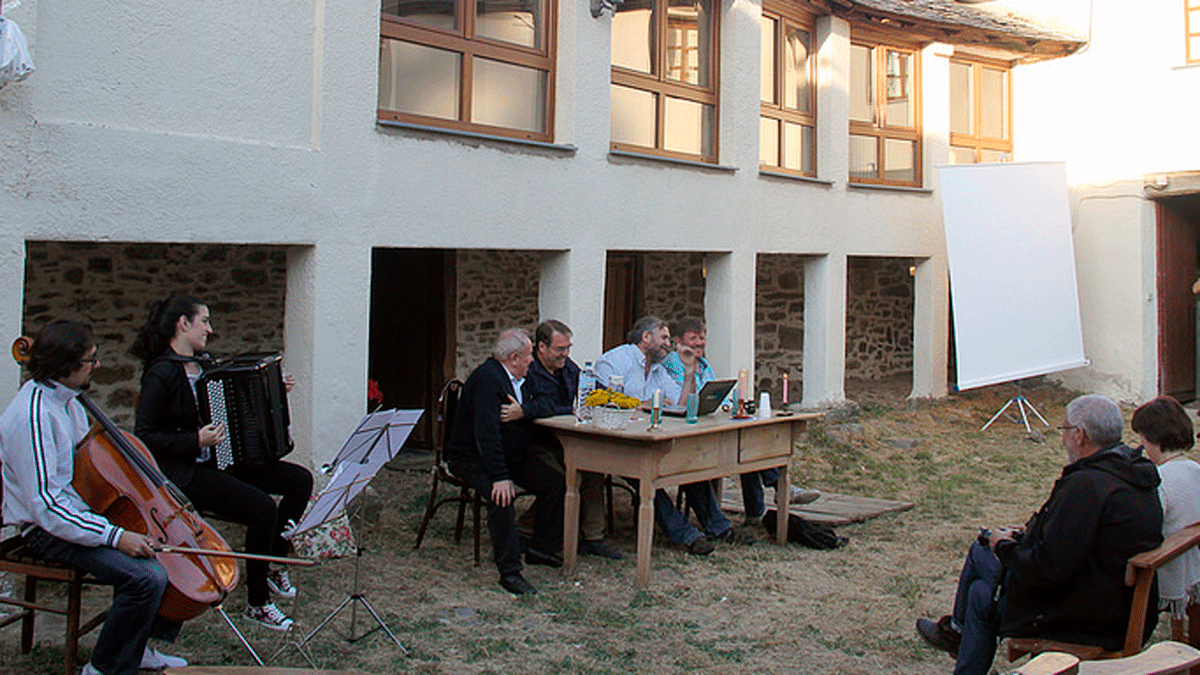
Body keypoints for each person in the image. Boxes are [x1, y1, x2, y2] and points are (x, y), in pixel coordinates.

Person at [915, 394, 1163, 675]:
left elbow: (1047, 569)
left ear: (1080, 436)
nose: (1062, 439)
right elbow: (1077, 537)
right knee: (982, 593)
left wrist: (1003, 546)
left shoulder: (1087, 485)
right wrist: (1031, 531)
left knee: (981, 553)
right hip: (1114, 602)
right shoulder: (1132, 473)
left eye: (1065, 431)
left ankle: (957, 633)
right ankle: (958, 637)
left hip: (1088, 617)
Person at [0, 319, 188, 675]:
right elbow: (48, 508)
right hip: (44, 530)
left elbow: (87, 469)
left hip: (73, 512)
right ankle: (103, 668)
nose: (98, 365)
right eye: (91, 359)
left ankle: (136, 650)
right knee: (147, 577)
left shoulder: (67, 401)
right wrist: (116, 536)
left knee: (167, 554)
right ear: (66, 366)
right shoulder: (32, 416)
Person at [132, 295, 313, 631]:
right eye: (204, 321)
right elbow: (144, 435)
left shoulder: (204, 364)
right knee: (261, 508)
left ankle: (273, 562)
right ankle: (258, 604)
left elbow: (234, 397)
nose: (210, 329)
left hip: (220, 460)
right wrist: (194, 441)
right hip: (184, 473)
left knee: (299, 480)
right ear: (183, 324)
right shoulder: (160, 373)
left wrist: (274, 388)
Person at [596, 316, 753, 555]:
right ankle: (687, 535)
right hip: (616, 441)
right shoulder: (617, 359)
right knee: (648, 477)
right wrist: (638, 404)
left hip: (650, 438)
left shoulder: (658, 369)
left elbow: (682, 405)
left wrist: (689, 371)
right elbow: (600, 396)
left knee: (690, 464)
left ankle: (719, 528)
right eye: (664, 338)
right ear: (646, 337)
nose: (668, 344)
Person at [661, 317, 819, 527]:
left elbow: (711, 396)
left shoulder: (703, 364)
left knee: (748, 442)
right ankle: (779, 491)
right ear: (679, 341)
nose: (699, 343)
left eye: (702, 338)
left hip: (707, 421)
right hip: (684, 429)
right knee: (745, 446)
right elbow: (688, 399)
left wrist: (728, 404)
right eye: (693, 338)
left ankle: (759, 509)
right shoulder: (673, 362)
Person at [445, 328, 565, 595]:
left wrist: (524, 410)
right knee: (502, 497)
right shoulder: (488, 380)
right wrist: (499, 476)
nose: (533, 360)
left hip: (512, 456)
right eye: (528, 355)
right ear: (513, 358)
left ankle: (540, 548)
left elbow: (549, 402)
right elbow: (486, 435)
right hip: (474, 459)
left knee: (555, 483)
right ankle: (510, 571)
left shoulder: (524, 377)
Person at [500, 320, 622, 559]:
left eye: (568, 348)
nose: (565, 354)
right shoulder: (529, 370)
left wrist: (618, 399)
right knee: (566, 479)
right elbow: (536, 405)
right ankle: (534, 529)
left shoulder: (568, 367)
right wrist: (539, 409)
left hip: (567, 440)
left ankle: (593, 537)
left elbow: (593, 389)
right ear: (541, 347)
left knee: (594, 470)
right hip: (537, 443)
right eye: (559, 349)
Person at [1131, 396, 1200, 619]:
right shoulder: (1194, 469)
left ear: (1153, 440)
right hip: (1194, 560)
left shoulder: (1159, 479)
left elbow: (1148, 527)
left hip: (1168, 566)